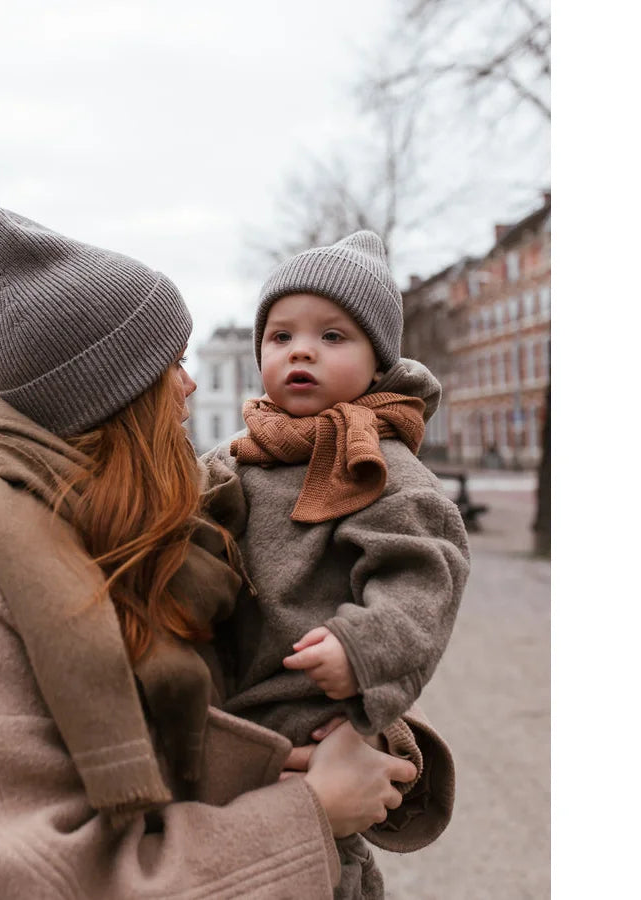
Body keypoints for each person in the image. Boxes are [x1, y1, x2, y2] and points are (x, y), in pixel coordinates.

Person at [0, 208, 435, 900]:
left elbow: (237, 696)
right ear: (115, 395)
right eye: (171, 364)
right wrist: (307, 815)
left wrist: (366, 742)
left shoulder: (158, 536)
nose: (190, 386)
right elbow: (35, 882)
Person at [198, 231, 471, 896]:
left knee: (323, 865)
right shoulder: (237, 457)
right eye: (281, 335)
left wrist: (362, 647)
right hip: (228, 716)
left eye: (332, 337)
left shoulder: (379, 465)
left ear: (378, 362)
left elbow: (425, 572)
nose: (300, 350)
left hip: (310, 714)